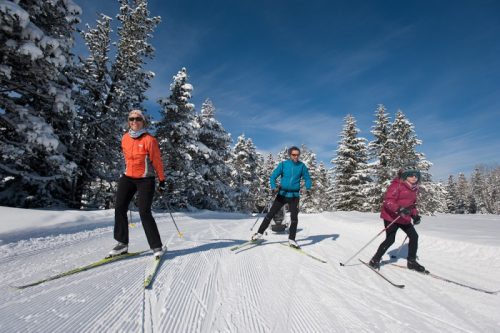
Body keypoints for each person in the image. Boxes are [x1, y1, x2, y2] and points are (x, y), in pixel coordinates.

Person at [108, 109, 167, 258]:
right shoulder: (125, 138)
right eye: (131, 119)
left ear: (143, 121)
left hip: (145, 179)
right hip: (128, 177)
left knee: (144, 212)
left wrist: (162, 180)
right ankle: (122, 243)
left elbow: (157, 161)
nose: (134, 121)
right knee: (120, 207)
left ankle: (156, 247)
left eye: (138, 119)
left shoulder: (149, 140)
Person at [251, 146, 312, 249]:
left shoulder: (302, 166)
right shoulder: (283, 164)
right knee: (270, 214)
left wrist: (307, 188)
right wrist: (274, 187)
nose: (296, 156)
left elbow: (307, 178)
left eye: (297, 154)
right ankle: (259, 234)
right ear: (290, 155)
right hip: (282, 194)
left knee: (294, 219)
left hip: (294, 196)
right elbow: (273, 177)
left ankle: (292, 239)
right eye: (293, 154)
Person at [369, 165, 425, 272]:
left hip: (404, 218)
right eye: (411, 175)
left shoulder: (414, 188)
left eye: (416, 176)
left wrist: (415, 215)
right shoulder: (396, 185)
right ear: (405, 176)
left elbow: (412, 205)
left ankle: (411, 261)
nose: (414, 178)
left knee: (414, 236)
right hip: (391, 217)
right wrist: (399, 209)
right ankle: (375, 259)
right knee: (390, 239)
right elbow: (388, 201)